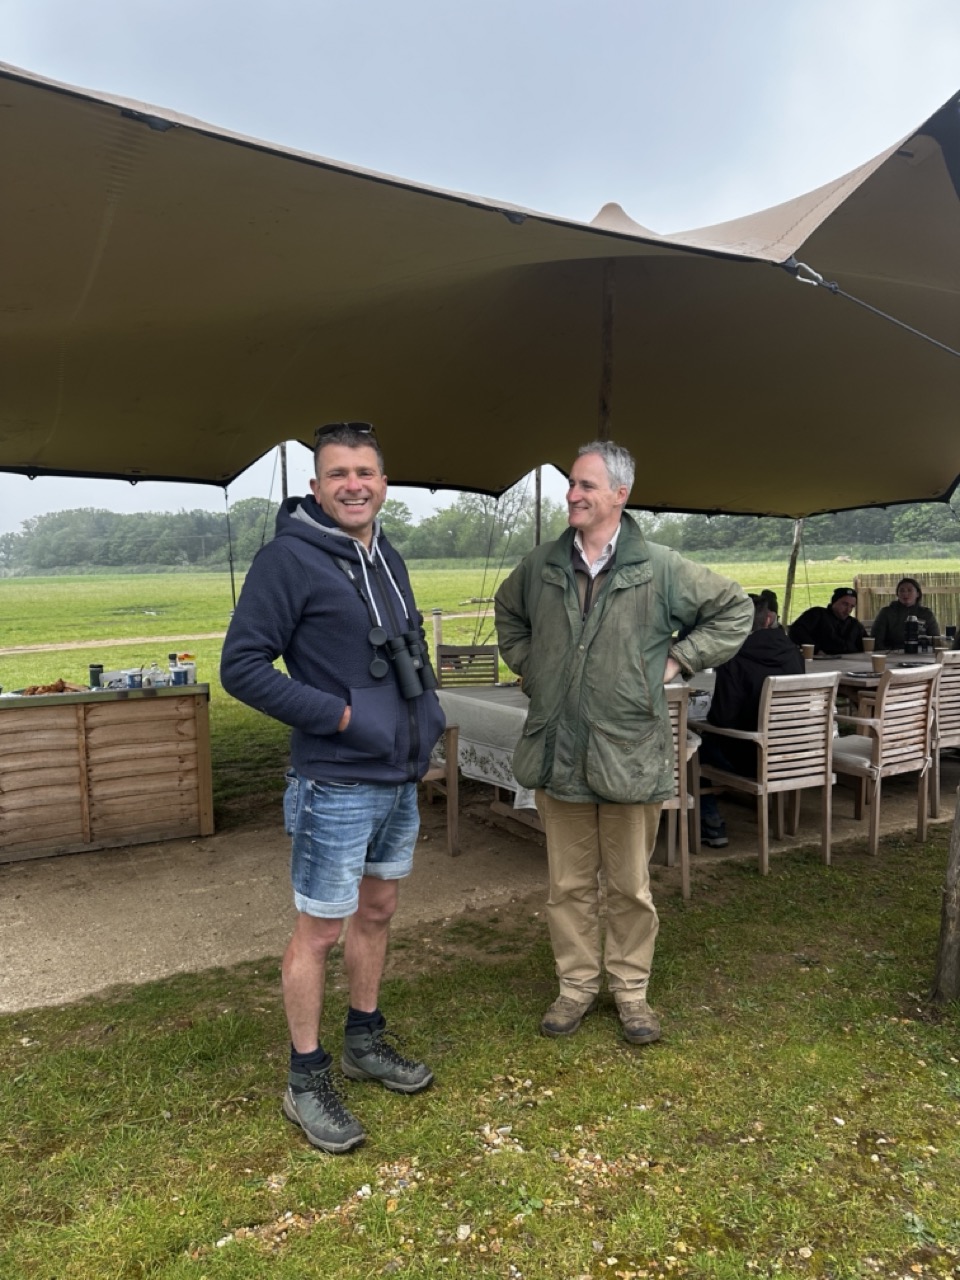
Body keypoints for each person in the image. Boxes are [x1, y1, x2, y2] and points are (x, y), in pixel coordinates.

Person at [221, 421, 444, 1155]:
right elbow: (243, 666)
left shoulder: (388, 556)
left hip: (396, 776)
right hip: (336, 780)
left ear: (384, 483)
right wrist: (340, 716)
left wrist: (420, 727)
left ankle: (364, 1041)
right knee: (319, 930)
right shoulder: (287, 561)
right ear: (315, 486)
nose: (356, 484)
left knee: (377, 912)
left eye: (368, 472)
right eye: (340, 473)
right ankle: (305, 1076)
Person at [494, 440, 753, 1045]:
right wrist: (534, 667)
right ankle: (576, 987)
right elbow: (509, 614)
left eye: (585, 486)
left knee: (631, 886)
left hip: (630, 751)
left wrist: (678, 659)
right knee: (567, 886)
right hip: (560, 747)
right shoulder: (541, 565)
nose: (573, 495)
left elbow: (734, 609)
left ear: (620, 493)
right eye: (572, 485)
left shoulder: (659, 566)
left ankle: (631, 992)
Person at [699, 592, 804, 848]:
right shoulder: (794, 653)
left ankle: (711, 825)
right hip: (796, 751)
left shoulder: (734, 656)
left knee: (693, 746)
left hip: (751, 756)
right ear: (769, 619)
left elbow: (722, 719)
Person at [788, 587, 865, 655]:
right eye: (845, 604)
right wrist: (815, 650)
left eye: (852, 606)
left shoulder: (854, 624)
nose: (848, 609)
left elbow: (866, 643)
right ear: (834, 602)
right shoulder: (818, 614)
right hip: (821, 662)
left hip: (851, 663)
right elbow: (796, 630)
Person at [870, 577, 940, 649]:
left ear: (918, 594)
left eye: (909, 590)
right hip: (892, 655)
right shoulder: (886, 612)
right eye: (902, 591)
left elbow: (936, 640)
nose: (905, 593)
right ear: (897, 594)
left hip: (921, 655)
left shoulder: (926, 614)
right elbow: (876, 641)